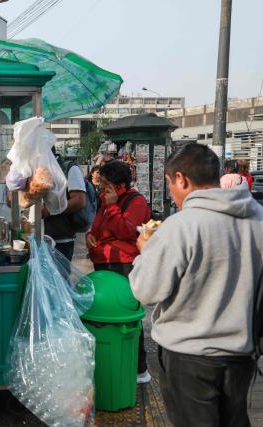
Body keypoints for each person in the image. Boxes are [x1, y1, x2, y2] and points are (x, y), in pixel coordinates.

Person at [129, 143, 263, 426]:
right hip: (242, 353)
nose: (172, 194)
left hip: (190, 356)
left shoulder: (181, 226)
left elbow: (145, 290)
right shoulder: (258, 219)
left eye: (170, 184)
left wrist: (146, 251)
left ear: (181, 179)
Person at [85, 160, 152, 383]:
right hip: (103, 262)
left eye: (105, 184)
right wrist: (89, 237)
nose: (101, 188)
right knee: (106, 314)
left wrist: (113, 206)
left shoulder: (136, 201)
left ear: (119, 185)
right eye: (101, 184)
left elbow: (125, 231)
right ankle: (111, 362)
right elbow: (95, 228)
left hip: (124, 264)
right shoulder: (105, 201)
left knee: (127, 314)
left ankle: (139, 368)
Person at [42, 153, 86, 261]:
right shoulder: (36, 169)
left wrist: (49, 210)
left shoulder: (69, 168)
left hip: (60, 240)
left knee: (59, 276)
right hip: (38, 237)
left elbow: (79, 200)